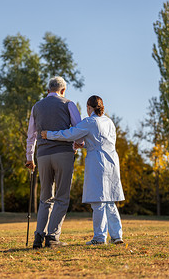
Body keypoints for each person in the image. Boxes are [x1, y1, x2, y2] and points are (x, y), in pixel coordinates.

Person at [40, 95, 125, 245]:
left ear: (89, 108)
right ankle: (117, 235)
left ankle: (99, 237)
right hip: (112, 160)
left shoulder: (89, 122)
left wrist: (49, 135)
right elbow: (102, 141)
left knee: (98, 201)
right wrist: (85, 145)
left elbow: (69, 134)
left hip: (98, 162)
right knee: (110, 201)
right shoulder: (109, 122)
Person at [26, 76, 83, 248]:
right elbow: (78, 129)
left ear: (48, 90)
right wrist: (77, 144)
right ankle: (52, 237)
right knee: (62, 197)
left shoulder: (37, 106)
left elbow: (31, 135)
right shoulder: (68, 104)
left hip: (42, 156)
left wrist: (30, 158)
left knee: (45, 198)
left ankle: (38, 236)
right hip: (63, 154)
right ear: (63, 90)